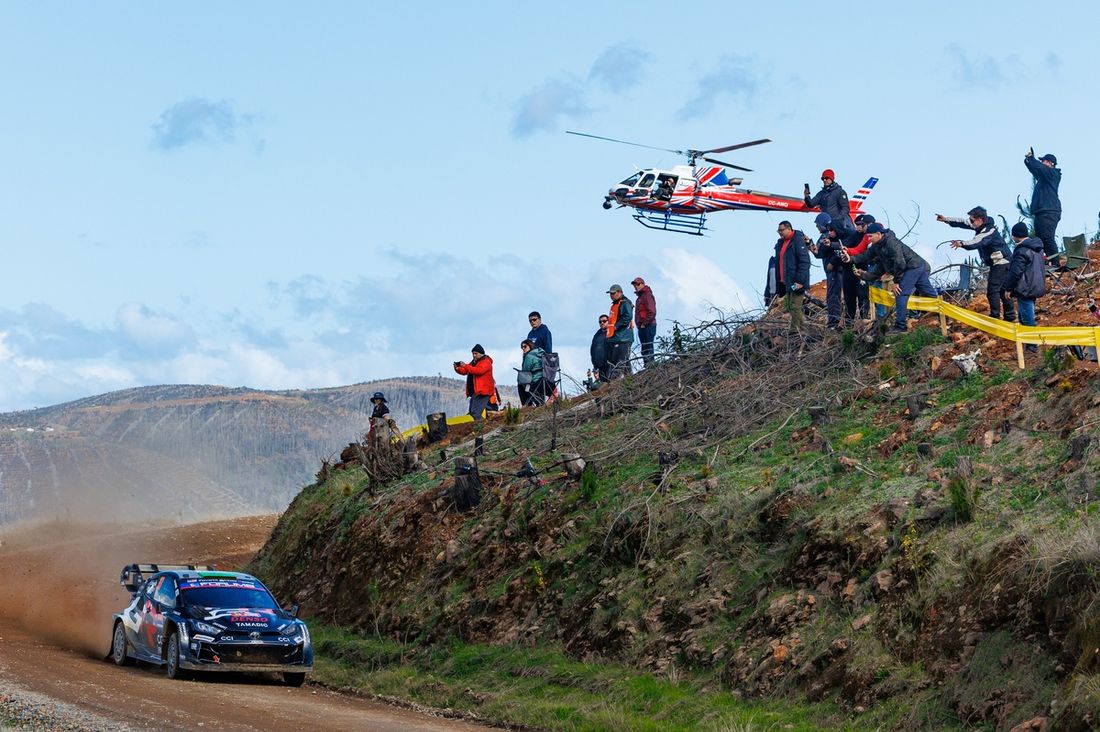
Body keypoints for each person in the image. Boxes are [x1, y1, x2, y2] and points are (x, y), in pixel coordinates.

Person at [843, 223, 936, 332]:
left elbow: (900, 263)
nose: (869, 239)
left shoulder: (891, 243)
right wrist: (852, 260)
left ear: (878, 234)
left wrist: (897, 281)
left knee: (900, 293)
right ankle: (941, 312)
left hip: (912, 267)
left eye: (870, 236)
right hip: (910, 267)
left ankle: (900, 326)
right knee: (928, 291)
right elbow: (867, 256)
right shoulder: (877, 246)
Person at [937, 206, 1015, 321]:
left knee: (993, 290)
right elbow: (963, 222)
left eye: (973, 220)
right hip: (998, 262)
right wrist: (946, 219)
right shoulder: (979, 225)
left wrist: (962, 243)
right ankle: (1010, 316)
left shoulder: (989, 231)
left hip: (1002, 262)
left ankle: (995, 317)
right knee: (1003, 290)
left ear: (980, 220)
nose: (971, 222)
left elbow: (977, 241)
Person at [1004, 222, 1047, 352]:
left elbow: (1016, 271)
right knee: (1025, 315)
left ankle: (1032, 345)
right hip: (1036, 284)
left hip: (1025, 287)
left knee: (1027, 316)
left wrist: (1008, 288)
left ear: (1015, 236)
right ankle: (1028, 342)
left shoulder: (1022, 250)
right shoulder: (1037, 248)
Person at [830, 217, 870, 324]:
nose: (857, 226)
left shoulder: (870, 237)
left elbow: (861, 252)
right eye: (856, 224)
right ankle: (849, 323)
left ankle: (864, 321)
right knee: (849, 298)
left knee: (863, 296)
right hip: (848, 269)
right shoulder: (854, 235)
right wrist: (839, 254)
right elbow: (846, 246)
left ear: (866, 225)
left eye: (859, 224)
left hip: (863, 270)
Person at [808, 213, 844, 329]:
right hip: (835, 270)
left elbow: (821, 253)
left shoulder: (828, 235)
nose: (817, 227)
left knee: (833, 296)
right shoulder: (827, 235)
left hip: (834, 271)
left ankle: (833, 322)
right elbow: (819, 253)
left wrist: (832, 263)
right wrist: (810, 244)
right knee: (834, 295)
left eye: (818, 224)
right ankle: (837, 320)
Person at [1024, 151, 1062, 261]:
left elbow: (1040, 168)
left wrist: (1032, 158)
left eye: (1043, 161)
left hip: (1049, 211)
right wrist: (1028, 160)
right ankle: (1048, 261)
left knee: (1047, 238)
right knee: (1040, 239)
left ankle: (1055, 262)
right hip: (1041, 211)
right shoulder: (1044, 177)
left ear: (1050, 163)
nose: (1041, 163)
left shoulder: (1053, 174)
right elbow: (1035, 169)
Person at [775, 221, 810, 332]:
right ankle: (801, 328)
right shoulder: (782, 243)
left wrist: (799, 281)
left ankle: (794, 331)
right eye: (778, 231)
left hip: (797, 282)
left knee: (795, 305)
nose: (779, 233)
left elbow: (805, 262)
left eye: (781, 230)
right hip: (788, 281)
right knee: (791, 306)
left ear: (789, 229)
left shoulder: (797, 241)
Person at [453, 344, 496, 420]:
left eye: (476, 353)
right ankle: (482, 426)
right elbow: (465, 371)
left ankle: (483, 427)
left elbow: (478, 371)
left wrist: (465, 365)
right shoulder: (474, 362)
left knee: (476, 412)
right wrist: (457, 368)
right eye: (473, 353)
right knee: (472, 412)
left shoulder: (486, 362)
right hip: (476, 392)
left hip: (483, 392)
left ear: (481, 353)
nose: (474, 355)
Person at [804, 169, 852, 234]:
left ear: (832, 179)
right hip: (828, 227)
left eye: (826, 178)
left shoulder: (840, 191)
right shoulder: (821, 193)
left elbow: (845, 208)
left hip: (841, 226)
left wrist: (837, 220)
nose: (824, 180)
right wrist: (806, 196)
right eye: (823, 178)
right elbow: (811, 204)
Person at [605, 284, 634, 377]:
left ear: (620, 292)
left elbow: (628, 316)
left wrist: (616, 326)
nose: (611, 295)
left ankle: (617, 382)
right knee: (624, 362)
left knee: (620, 362)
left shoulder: (625, 303)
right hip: (617, 337)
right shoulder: (616, 304)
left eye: (613, 293)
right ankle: (629, 380)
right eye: (610, 293)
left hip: (623, 338)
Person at [632, 277, 657, 366]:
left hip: (648, 326)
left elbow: (652, 312)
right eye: (635, 285)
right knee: (645, 347)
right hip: (642, 327)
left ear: (643, 284)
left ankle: (651, 366)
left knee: (648, 346)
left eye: (638, 284)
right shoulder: (640, 297)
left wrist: (644, 324)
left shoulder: (647, 295)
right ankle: (647, 365)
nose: (636, 286)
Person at [516, 339, 546, 406]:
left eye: (525, 346)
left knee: (521, 384)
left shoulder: (529, 356)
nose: (523, 349)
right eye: (522, 347)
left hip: (535, 381)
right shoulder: (541, 353)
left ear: (530, 345)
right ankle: (540, 403)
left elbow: (525, 371)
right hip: (545, 380)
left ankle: (527, 406)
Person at [591, 314, 610, 381]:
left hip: (609, 363)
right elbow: (593, 350)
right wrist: (595, 364)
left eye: (604, 321)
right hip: (600, 365)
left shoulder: (611, 332)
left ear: (608, 321)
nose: (602, 323)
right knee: (603, 385)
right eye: (600, 322)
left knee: (611, 383)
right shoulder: (597, 334)